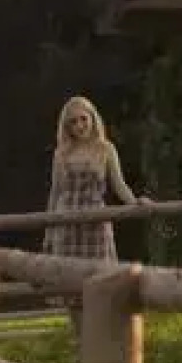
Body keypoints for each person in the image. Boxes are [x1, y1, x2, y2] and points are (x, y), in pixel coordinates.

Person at [43, 96, 149, 329]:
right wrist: (48, 235)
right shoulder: (61, 154)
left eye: (84, 119)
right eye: (73, 122)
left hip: (96, 225)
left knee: (102, 282)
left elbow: (119, 185)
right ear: (66, 127)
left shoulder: (105, 149)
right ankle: (81, 340)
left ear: (93, 118)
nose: (80, 126)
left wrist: (135, 203)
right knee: (72, 288)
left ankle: (103, 336)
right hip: (67, 225)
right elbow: (55, 193)